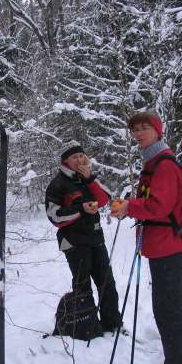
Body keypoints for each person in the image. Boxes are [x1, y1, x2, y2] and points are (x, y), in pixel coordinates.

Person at [112, 111, 182, 364]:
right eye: (135, 130)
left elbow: (160, 207)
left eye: (145, 128)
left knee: (167, 308)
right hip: (165, 245)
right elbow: (154, 201)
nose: (139, 134)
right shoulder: (153, 163)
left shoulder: (164, 164)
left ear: (158, 130)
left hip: (166, 246)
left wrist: (130, 207)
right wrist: (131, 206)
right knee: (180, 301)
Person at [45, 140, 121, 333]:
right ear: (65, 161)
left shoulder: (87, 178)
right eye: (74, 157)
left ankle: (112, 324)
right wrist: (81, 209)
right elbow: (54, 216)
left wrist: (90, 179)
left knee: (107, 283)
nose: (79, 160)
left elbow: (103, 200)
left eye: (81, 155)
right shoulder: (58, 184)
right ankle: (87, 326)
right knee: (82, 286)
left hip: (95, 239)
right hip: (74, 242)